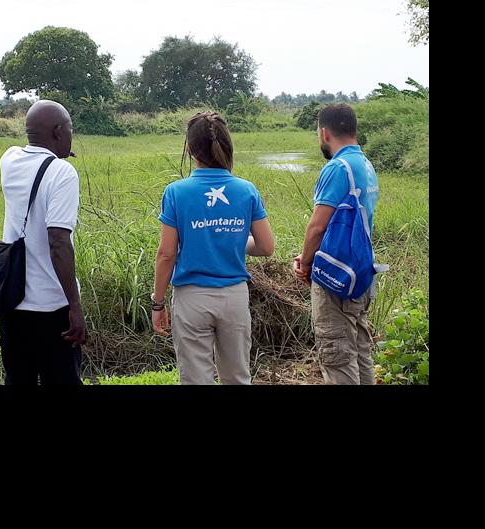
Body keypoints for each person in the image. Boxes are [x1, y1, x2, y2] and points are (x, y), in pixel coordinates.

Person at [152, 112, 276, 385]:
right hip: (234, 298)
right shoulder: (246, 190)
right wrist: (231, 239)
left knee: (197, 379)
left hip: (192, 299)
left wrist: (158, 302)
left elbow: (166, 254)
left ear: (190, 148)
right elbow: (267, 247)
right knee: (237, 377)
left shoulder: (176, 192)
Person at [0, 100, 87, 385]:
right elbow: (58, 241)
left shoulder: (8, 159)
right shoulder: (62, 173)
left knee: (18, 380)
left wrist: (56, 156)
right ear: (59, 132)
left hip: (11, 303)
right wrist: (75, 305)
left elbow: (31, 157)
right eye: (70, 128)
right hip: (51, 309)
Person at [293, 103, 380, 385]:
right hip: (363, 272)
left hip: (338, 278)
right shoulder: (366, 165)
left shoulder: (338, 167)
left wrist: (305, 262)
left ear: (324, 133)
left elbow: (317, 226)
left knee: (337, 354)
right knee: (359, 350)